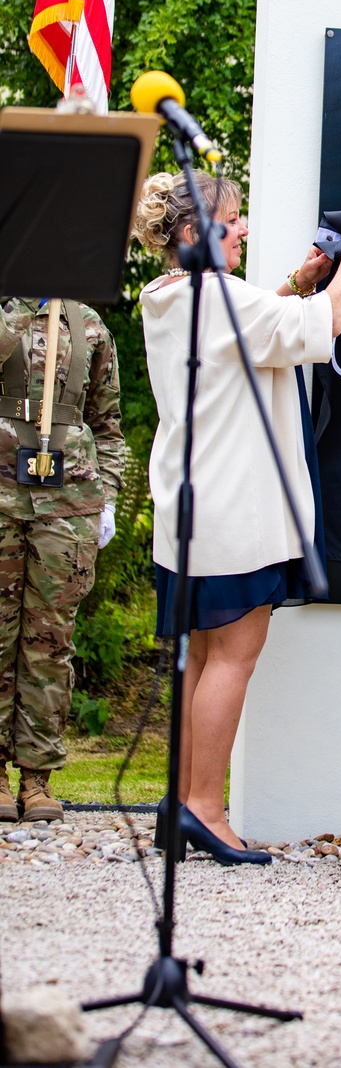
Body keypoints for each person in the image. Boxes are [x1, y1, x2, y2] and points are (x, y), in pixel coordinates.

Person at [134, 173, 341, 866]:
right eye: (231, 220)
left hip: (193, 507)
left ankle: (180, 802)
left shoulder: (171, 297)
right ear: (192, 234)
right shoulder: (219, 298)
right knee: (233, 658)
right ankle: (208, 810)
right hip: (237, 508)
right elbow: (327, 324)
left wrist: (295, 283)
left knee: (202, 657)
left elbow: (243, 331)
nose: (241, 229)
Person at [0, 297, 124, 823]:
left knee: (50, 640)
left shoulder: (88, 323)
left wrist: (110, 497)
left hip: (69, 498)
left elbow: (109, 424)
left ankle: (36, 778)